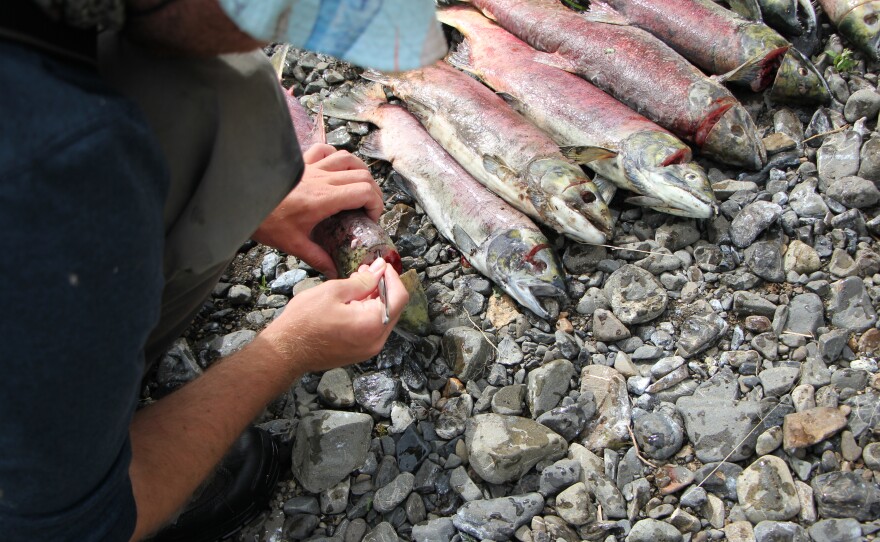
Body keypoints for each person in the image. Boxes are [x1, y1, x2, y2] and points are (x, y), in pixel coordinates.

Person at [0, 0, 446, 540]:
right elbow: (75, 529)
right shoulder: (56, 166)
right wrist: (289, 348)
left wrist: (253, 202)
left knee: (227, 93)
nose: (269, 34)